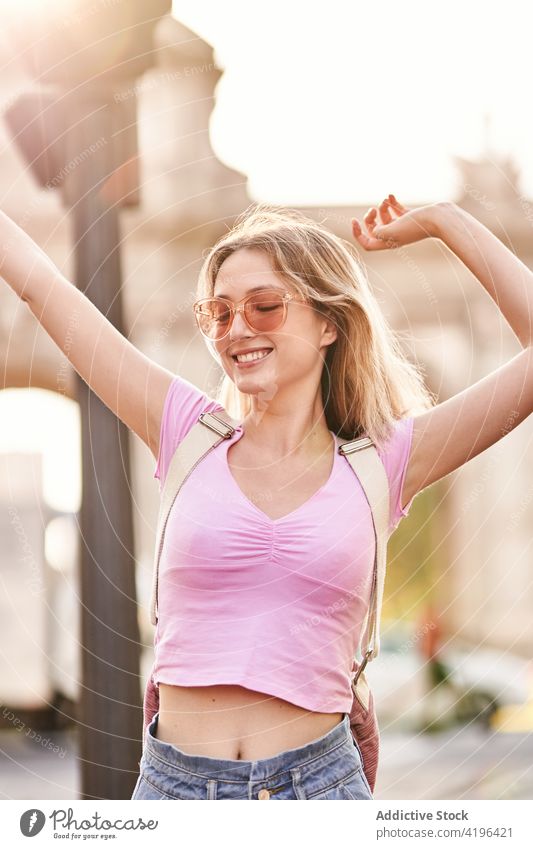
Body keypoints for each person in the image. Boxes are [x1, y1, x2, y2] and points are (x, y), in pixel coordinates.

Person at [2, 195, 532, 800]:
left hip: (320, 791)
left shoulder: (384, 461)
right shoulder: (185, 431)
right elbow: (42, 287)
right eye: (219, 313)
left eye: (265, 307)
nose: (238, 329)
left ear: (329, 322)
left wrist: (448, 221)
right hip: (176, 792)